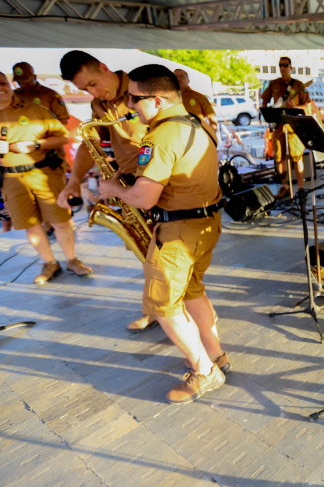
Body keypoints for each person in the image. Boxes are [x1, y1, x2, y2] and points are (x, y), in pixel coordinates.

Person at [98, 64, 228, 404]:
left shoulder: (160, 135)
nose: (129, 105)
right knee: (193, 290)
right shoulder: (197, 122)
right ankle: (215, 354)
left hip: (178, 231)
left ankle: (204, 371)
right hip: (206, 223)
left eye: (134, 98)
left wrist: (112, 189)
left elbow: (144, 198)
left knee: (163, 305)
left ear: (157, 101)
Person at [58, 50, 156, 333]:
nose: (93, 92)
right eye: (85, 89)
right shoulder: (99, 105)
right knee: (146, 251)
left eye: (93, 84)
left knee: (167, 252)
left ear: (103, 67)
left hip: (160, 180)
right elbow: (89, 145)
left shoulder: (144, 87)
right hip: (129, 185)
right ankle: (159, 308)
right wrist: (74, 181)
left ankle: (175, 308)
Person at [0, 69, 93, 284]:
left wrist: (35, 144)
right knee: (30, 225)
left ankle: (72, 260)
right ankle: (49, 263)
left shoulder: (35, 109)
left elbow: (62, 137)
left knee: (61, 221)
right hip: (10, 179)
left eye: (2, 82)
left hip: (44, 174)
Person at [259, 56, 313, 198]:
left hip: (293, 128)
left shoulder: (299, 85)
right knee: (279, 157)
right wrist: (269, 115)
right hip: (278, 127)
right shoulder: (273, 84)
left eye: (285, 65)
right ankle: (284, 186)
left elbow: (307, 105)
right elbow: (264, 101)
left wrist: (295, 107)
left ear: (291, 68)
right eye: (280, 65)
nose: (282, 68)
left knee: (297, 157)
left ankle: (300, 188)